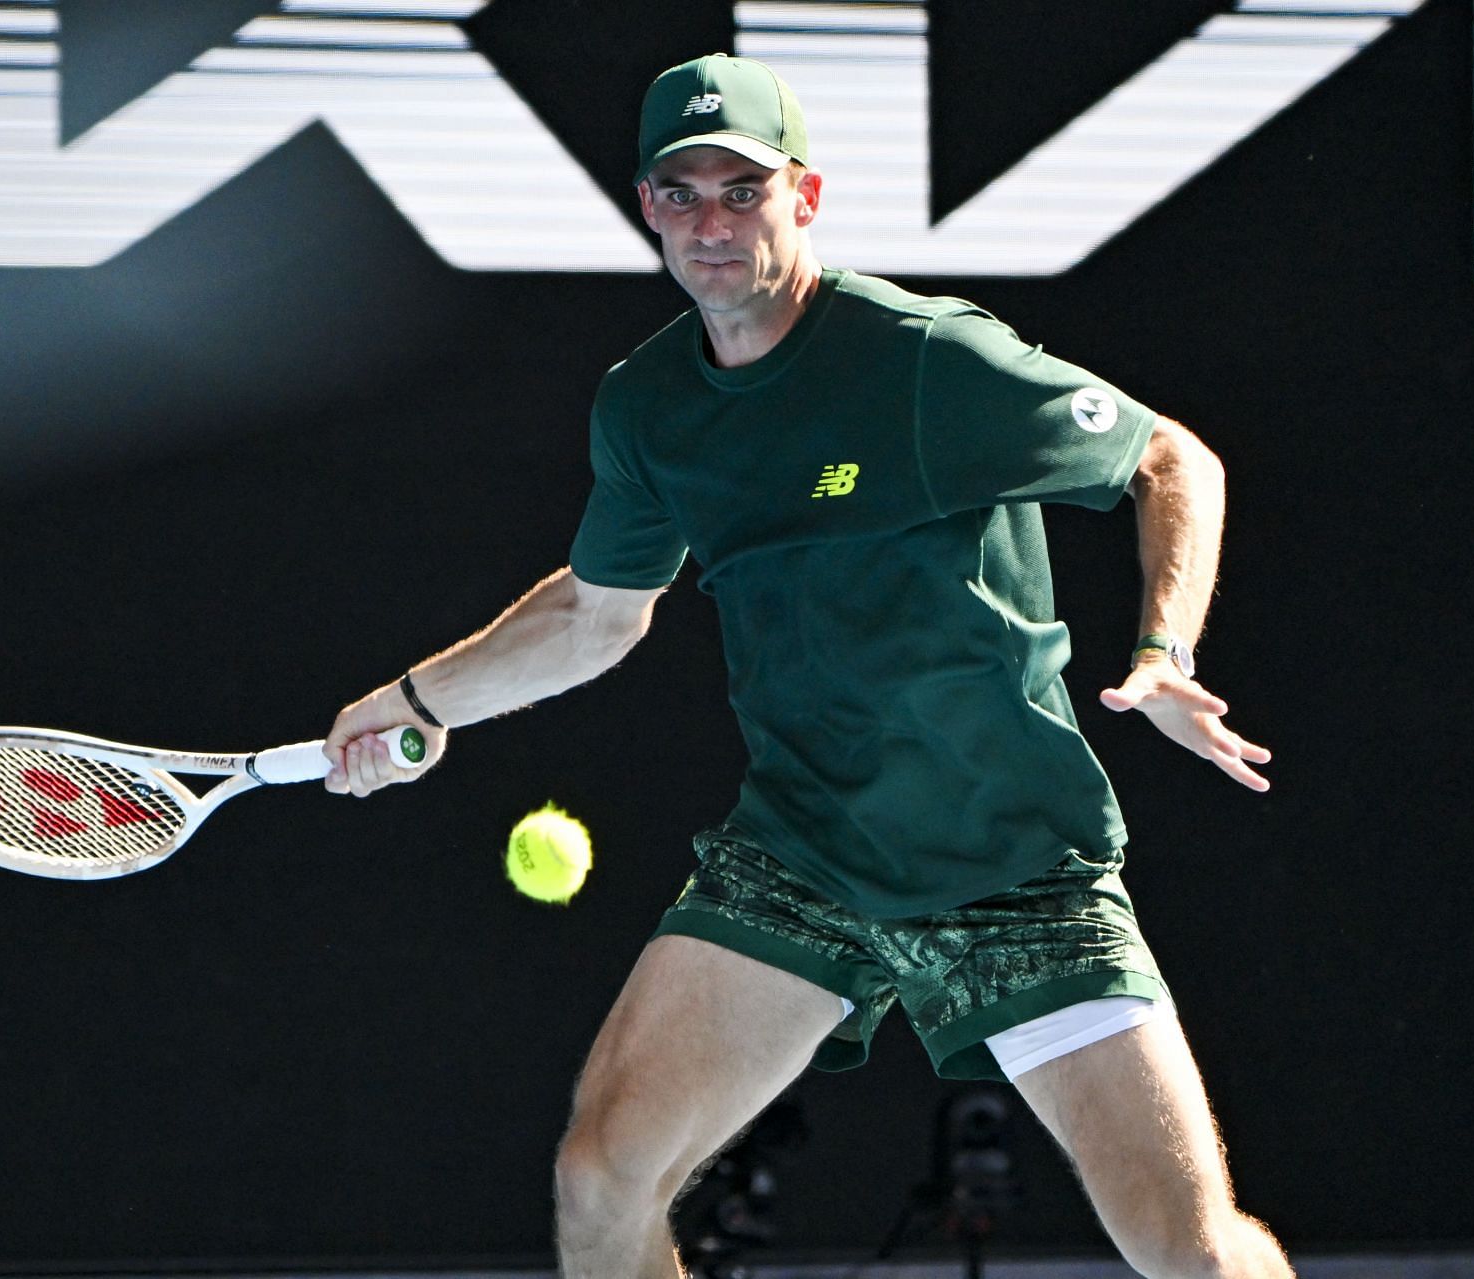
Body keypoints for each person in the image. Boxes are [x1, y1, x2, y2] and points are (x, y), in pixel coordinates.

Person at [322, 53, 1289, 1279]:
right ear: (648, 207)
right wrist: (411, 704)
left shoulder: (925, 359)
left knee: (1188, 1249)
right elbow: (592, 616)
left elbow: (1170, 461)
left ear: (806, 197)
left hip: (1010, 865)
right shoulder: (649, 406)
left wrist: (1163, 647)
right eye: (684, 193)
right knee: (601, 1175)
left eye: (744, 190)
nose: (713, 222)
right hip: (806, 850)